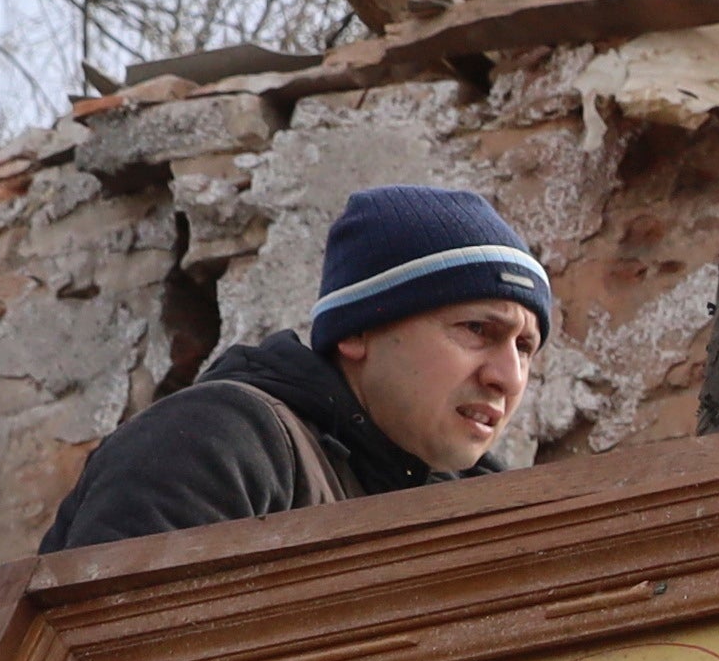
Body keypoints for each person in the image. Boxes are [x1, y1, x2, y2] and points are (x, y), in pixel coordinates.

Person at [40, 183, 554, 546]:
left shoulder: (484, 509)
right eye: (477, 331)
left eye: (525, 348)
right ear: (358, 331)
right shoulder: (216, 442)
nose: (506, 378)